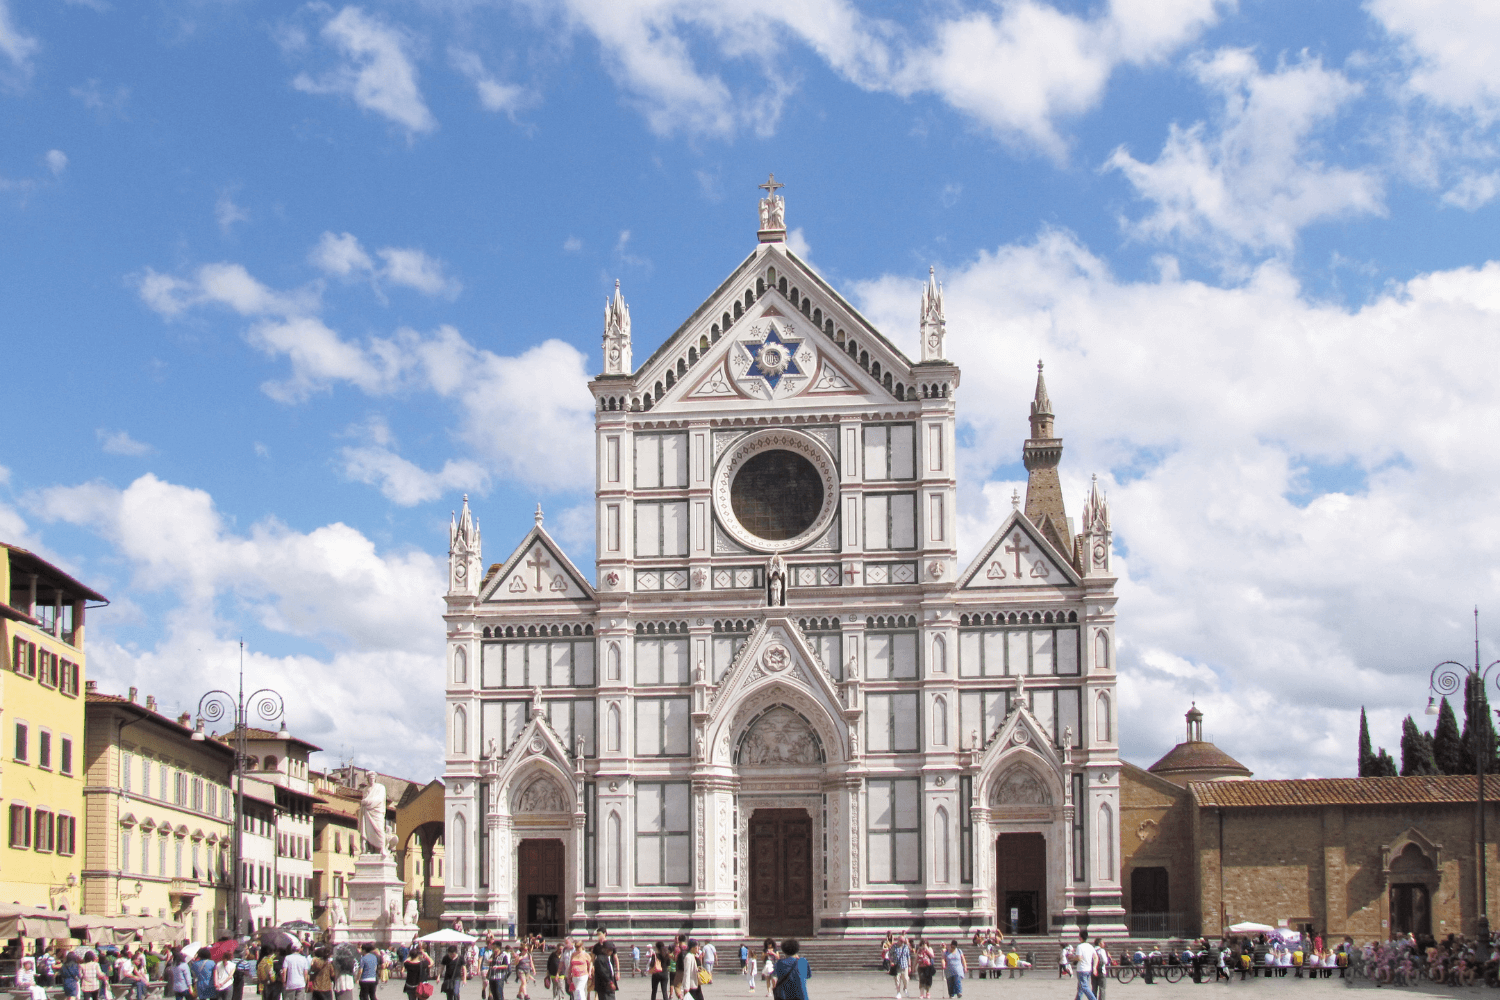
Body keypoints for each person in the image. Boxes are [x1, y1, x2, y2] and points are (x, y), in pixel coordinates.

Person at [1072, 934, 1096, 1000]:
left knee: (1084, 986)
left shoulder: (1080, 946)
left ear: (1080, 938)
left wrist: (1072, 957)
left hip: (1082, 969)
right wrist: (1094, 967)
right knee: (1081, 987)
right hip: (1088, 969)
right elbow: (1095, 957)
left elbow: (1079, 958)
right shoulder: (1090, 946)